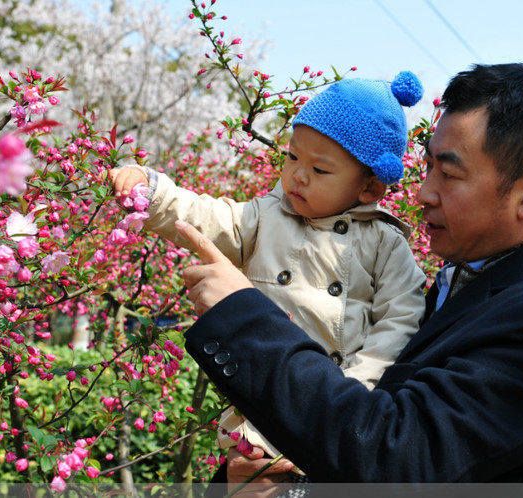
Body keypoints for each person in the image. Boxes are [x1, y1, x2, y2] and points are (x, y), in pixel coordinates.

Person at [177, 63, 523, 483]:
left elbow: (395, 459)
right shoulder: (459, 290)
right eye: (427, 165)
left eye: (448, 174)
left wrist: (243, 315)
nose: (423, 193)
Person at [109, 72, 428, 470]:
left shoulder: (385, 242)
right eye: (293, 156)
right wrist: (154, 191)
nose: (298, 175)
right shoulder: (266, 217)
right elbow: (209, 217)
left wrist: (356, 389)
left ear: (369, 189)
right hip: (260, 410)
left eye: (321, 170)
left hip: (341, 411)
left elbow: (401, 319)